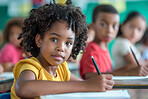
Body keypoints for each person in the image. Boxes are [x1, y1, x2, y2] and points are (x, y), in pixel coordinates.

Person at [11, 1, 114, 99]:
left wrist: (97, 85)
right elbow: (23, 88)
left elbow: (81, 85)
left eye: (68, 43)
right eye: (54, 39)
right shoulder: (31, 66)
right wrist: (86, 85)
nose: (61, 48)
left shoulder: (62, 69)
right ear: (39, 40)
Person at [80, 4, 120, 79]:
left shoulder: (105, 48)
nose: (109, 30)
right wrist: (128, 73)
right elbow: (90, 76)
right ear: (93, 26)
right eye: (103, 24)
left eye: (114, 26)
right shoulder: (92, 49)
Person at [112, 11, 148, 76]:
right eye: (131, 27)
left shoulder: (129, 43)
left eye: (139, 29)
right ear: (123, 26)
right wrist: (145, 62)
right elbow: (136, 66)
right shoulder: (123, 43)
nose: (135, 32)